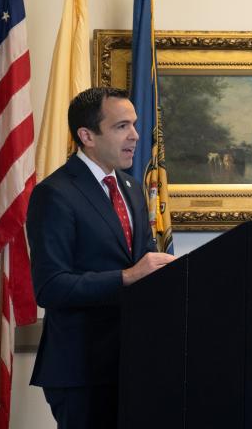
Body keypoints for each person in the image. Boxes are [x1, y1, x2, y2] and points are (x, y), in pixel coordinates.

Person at [26, 87, 175, 429]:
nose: (136, 135)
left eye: (135, 125)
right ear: (87, 136)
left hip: (133, 363)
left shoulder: (132, 188)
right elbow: (50, 287)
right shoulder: (54, 193)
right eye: (122, 126)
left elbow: (144, 260)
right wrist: (126, 277)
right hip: (81, 370)